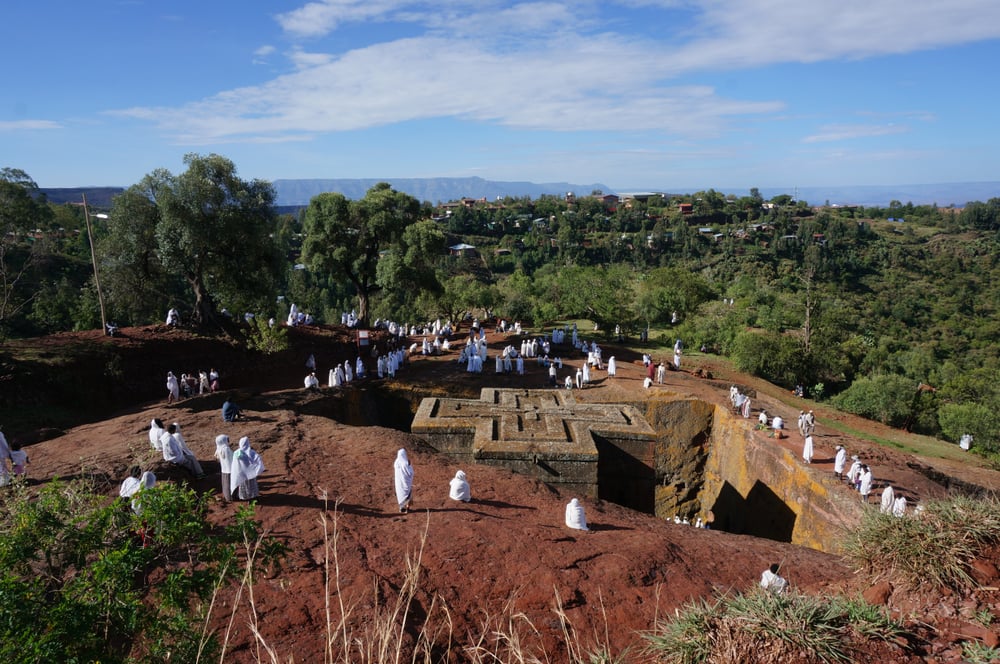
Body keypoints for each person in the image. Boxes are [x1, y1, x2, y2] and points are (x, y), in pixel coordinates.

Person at [231, 436, 265, 501]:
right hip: (250, 474)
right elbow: (258, 458)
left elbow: (234, 465)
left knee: (243, 486)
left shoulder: (236, 453)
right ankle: (252, 496)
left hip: (241, 474)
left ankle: (244, 497)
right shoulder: (251, 452)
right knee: (251, 486)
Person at [394, 448, 414, 513]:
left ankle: (401, 507)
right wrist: (410, 465)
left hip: (399, 482)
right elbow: (410, 472)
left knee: (400, 494)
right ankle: (407, 508)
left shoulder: (396, 463)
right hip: (406, 482)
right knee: (408, 493)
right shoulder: (406, 463)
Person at [214, 434, 234, 502]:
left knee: (225, 484)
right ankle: (230, 497)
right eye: (227, 439)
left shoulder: (219, 449)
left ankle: (226, 496)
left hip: (224, 469)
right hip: (230, 469)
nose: (228, 441)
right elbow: (232, 458)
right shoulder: (226, 449)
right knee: (230, 484)